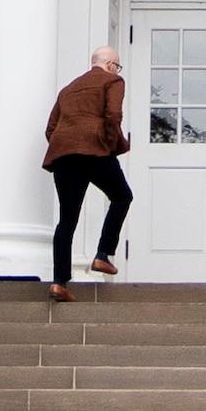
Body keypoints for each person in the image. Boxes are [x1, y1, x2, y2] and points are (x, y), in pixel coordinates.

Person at [41, 44, 129, 300]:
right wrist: (109, 144)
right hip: (96, 150)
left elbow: (50, 128)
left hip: (63, 155)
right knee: (122, 197)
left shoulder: (68, 89)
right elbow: (113, 115)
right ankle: (103, 255)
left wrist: (66, 145)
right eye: (117, 65)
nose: (116, 69)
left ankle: (59, 283)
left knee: (67, 219)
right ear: (111, 64)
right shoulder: (112, 81)